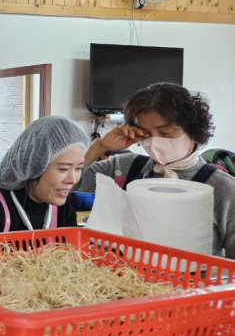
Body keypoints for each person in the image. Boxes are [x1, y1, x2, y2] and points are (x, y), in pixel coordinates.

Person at [77, 83, 235, 258]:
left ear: (193, 130)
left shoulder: (223, 188)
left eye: (166, 133)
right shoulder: (125, 168)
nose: (155, 141)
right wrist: (100, 147)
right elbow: (71, 181)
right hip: (123, 272)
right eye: (146, 134)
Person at [0, 115, 89, 235]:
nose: (73, 180)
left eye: (78, 168)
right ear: (36, 165)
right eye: (63, 169)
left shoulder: (62, 210)